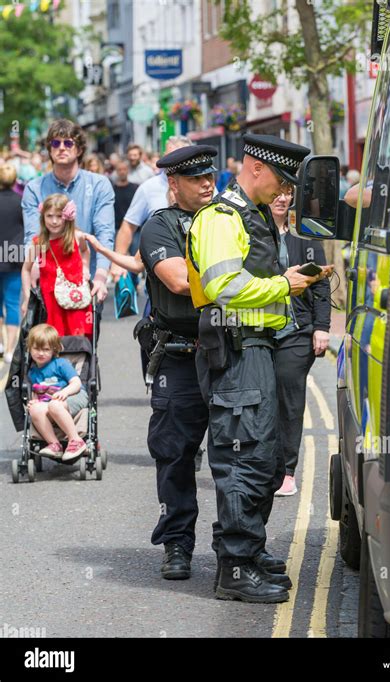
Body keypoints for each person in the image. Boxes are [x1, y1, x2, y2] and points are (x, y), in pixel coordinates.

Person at [188, 133, 331, 603]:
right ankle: (234, 566)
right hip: (237, 350)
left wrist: (291, 285)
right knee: (242, 458)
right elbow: (223, 284)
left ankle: (248, 552)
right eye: (280, 179)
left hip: (258, 348)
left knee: (265, 458)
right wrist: (281, 284)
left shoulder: (253, 216)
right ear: (256, 168)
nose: (283, 190)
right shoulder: (221, 217)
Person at [138, 145, 219, 581]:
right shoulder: (160, 227)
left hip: (226, 350)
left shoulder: (228, 220)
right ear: (174, 184)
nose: (207, 184)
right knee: (175, 454)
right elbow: (178, 281)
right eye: (196, 178)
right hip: (181, 354)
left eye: (210, 176)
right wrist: (238, 280)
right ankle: (177, 544)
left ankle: (236, 549)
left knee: (237, 454)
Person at [270, 191, 332, 497]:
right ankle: (264, 467)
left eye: (288, 193)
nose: (282, 198)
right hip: (263, 330)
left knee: (289, 396)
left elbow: (321, 285)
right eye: (277, 192)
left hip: (297, 332)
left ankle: (287, 472)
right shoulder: (253, 236)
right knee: (263, 399)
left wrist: (321, 327)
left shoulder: (306, 240)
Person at [21, 119, 115, 304]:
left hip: (86, 280)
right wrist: (34, 269)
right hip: (46, 281)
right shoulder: (34, 188)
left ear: (79, 150)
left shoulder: (99, 185)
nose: (61, 148)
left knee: (83, 334)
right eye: (55, 143)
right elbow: (32, 234)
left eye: (68, 143)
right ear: (49, 149)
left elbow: (105, 233)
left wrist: (101, 276)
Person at [111, 136, 193, 282]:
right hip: (160, 279)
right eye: (168, 156)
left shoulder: (202, 186)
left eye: (179, 155)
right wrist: (119, 262)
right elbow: (128, 226)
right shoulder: (148, 188)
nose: (173, 161)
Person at [21, 195, 93, 339]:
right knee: (54, 339)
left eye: (59, 216)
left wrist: (85, 268)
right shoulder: (39, 242)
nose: (54, 221)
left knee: (78, 338)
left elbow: (85, 251)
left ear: (67, 217)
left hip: (75, 297)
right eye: (49, 216)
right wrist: (27, 296)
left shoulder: (77, 236)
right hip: (51, 300)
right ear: (43, 217)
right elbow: (26, 269)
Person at [26, 323, 89, 461]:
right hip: (51, 403)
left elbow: (76, 383)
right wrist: (34, 401)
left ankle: (75, 440)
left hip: (74, 396)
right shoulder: (32, 372)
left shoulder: (60, 364)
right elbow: (37, 390)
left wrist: (65, 392)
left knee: (54, 405)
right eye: (36, 349)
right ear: (29, 348)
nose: (41, 353)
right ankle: (54, 444)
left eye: (46, 349)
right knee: (35, 409)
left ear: (54, 350)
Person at [0, 164, 24, 363]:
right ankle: (9, 350)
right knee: (12, 303)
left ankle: (0, 342)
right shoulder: (20, 202)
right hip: (14, 257)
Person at [112, 159, 138, 235]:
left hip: (134, 230)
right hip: (117, 229)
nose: (122, 172)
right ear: (116, 172)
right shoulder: (112, 190)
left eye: (124, 169)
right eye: (119, 170)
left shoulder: (135, 188)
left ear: (128, 171)